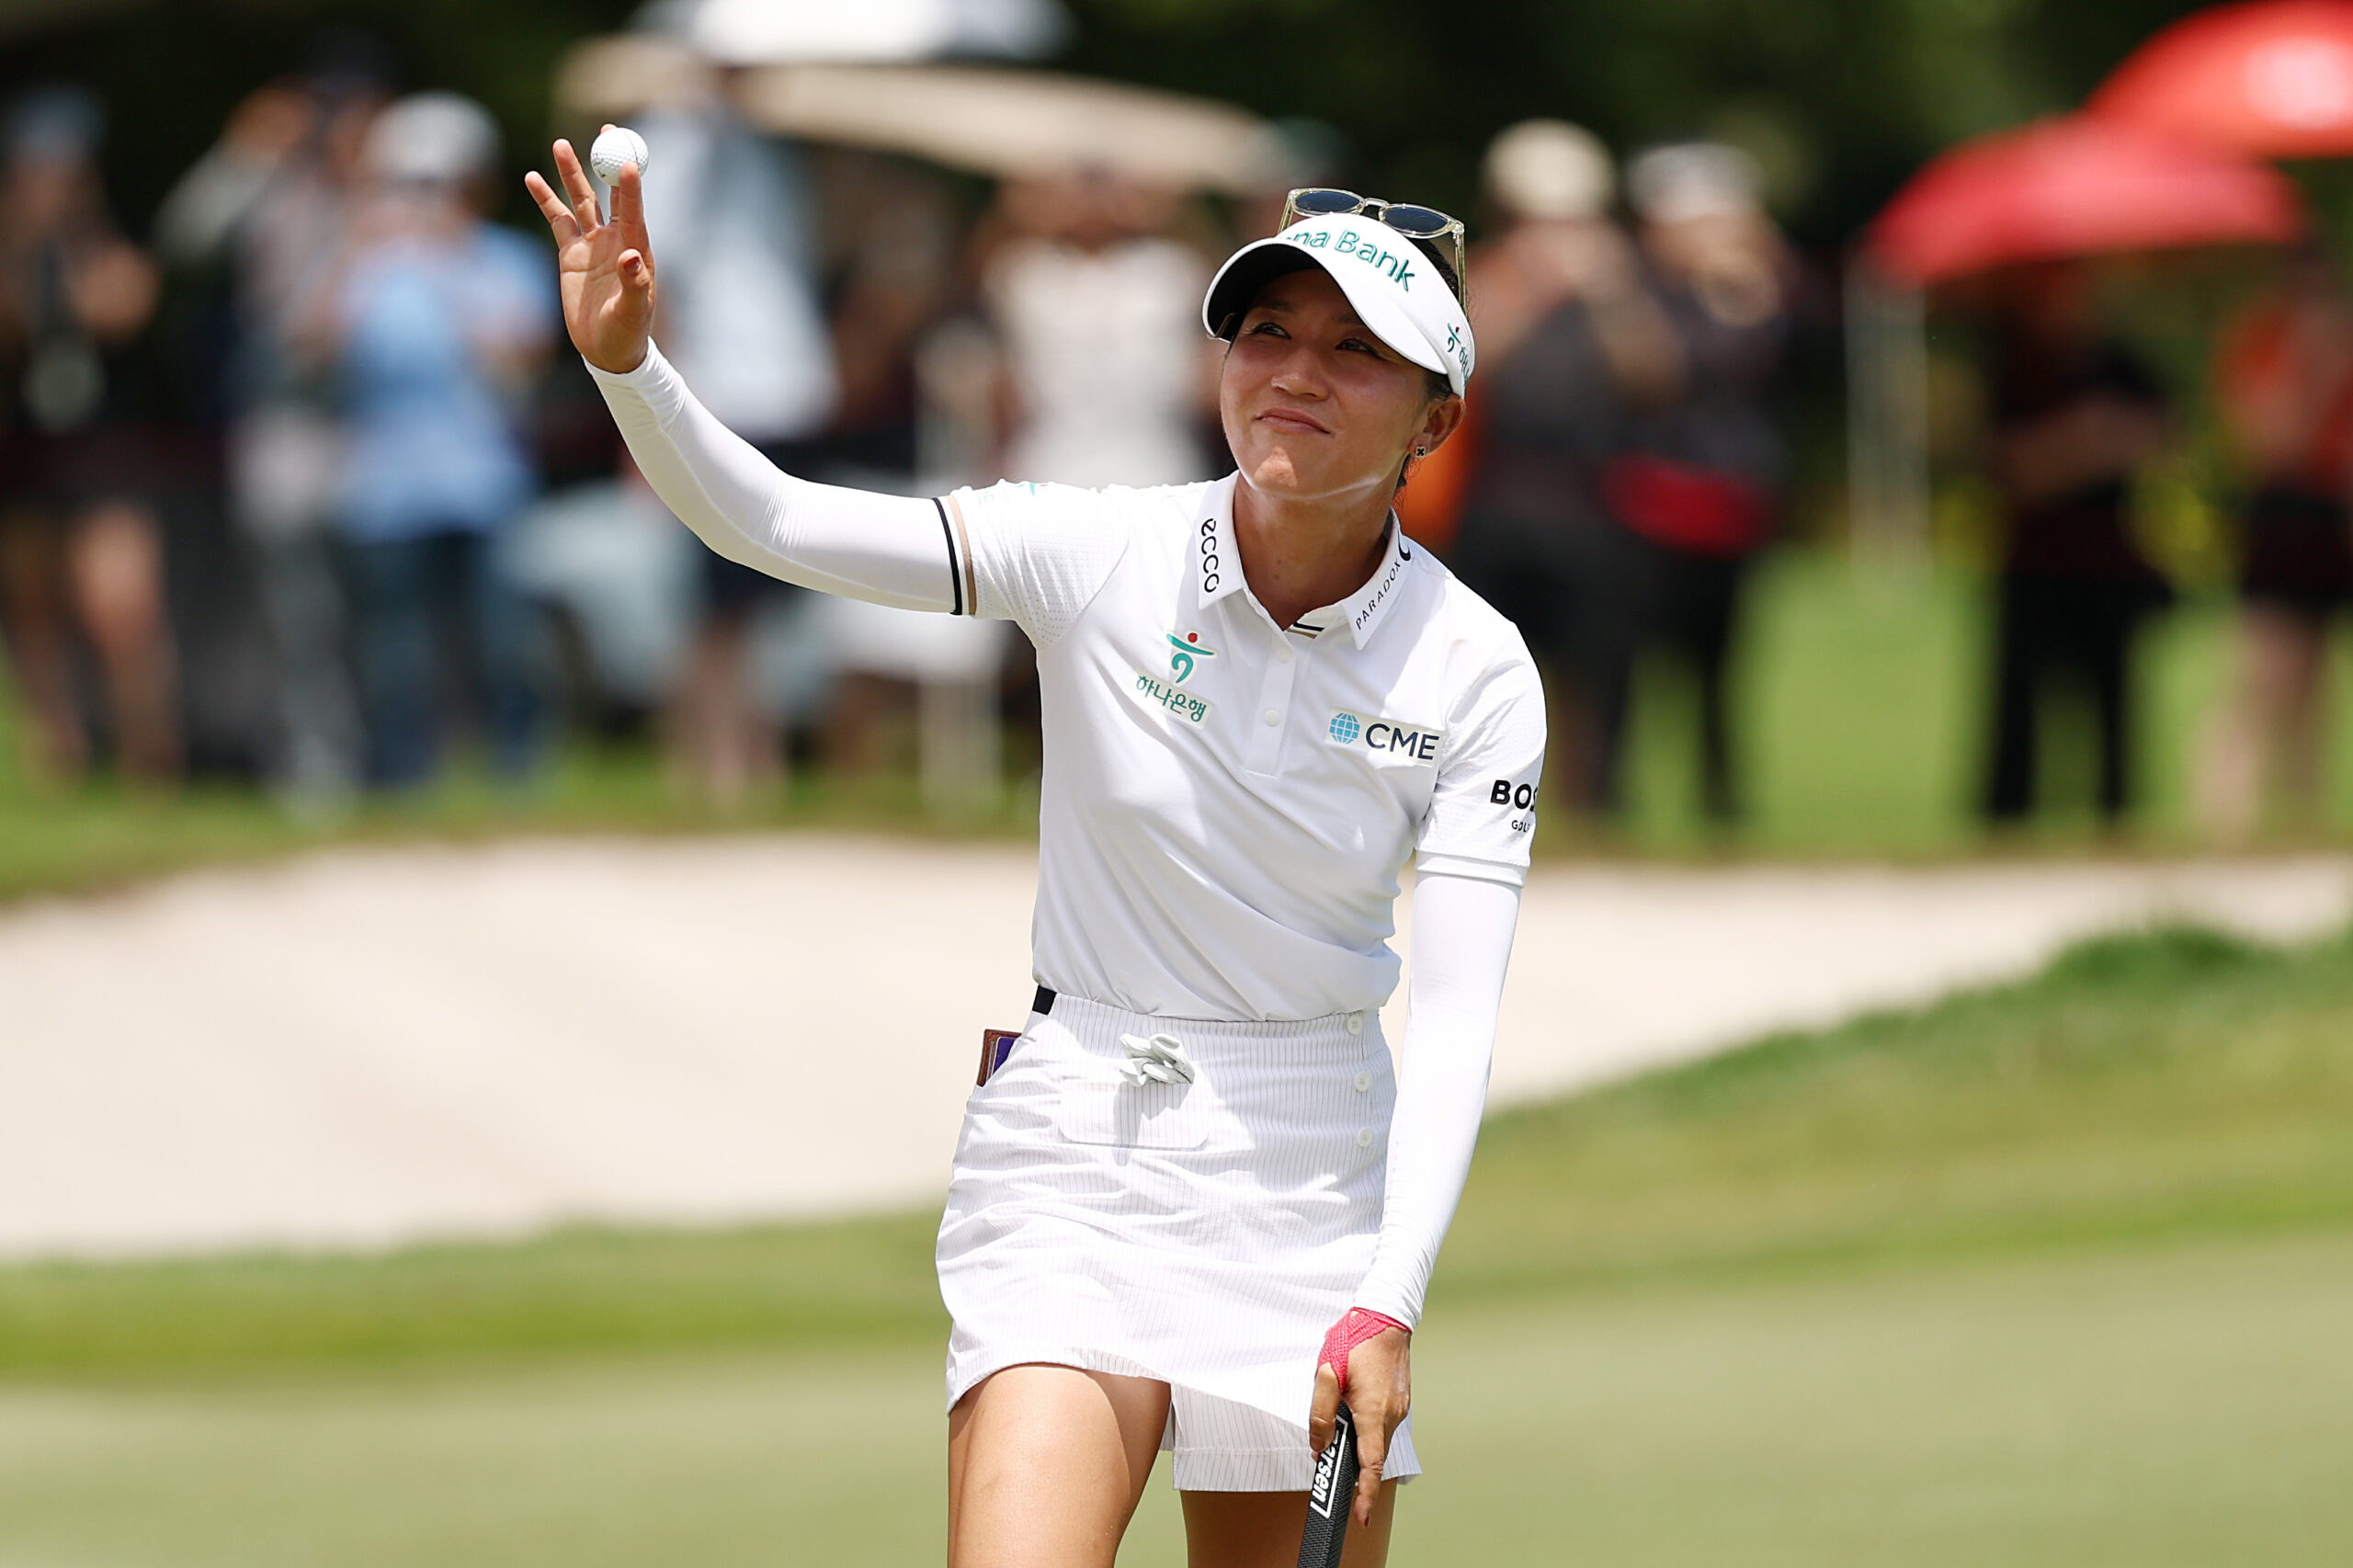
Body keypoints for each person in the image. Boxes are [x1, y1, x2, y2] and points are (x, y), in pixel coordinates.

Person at [528, 138, 1542, 1566]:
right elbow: (769, 519)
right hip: (1081, 1140)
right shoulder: (1097, 549)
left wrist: (1390, 1297)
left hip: (1315, 1173)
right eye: (1268, 333)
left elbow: (1455, 1017)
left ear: (1434, 424)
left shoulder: (1476, 667)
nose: (1296, 372)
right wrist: (633, 368)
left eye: (1355, 352)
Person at [156, 45, 391, 806]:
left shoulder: (401, 195)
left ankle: (394, 766)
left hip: (382, 429)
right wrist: (243, 150)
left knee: (382, 611)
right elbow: (183, 240)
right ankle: (314, 775)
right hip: (286, 427)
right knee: (298, 616)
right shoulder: (273, 190)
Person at [308, 93, 555, 790]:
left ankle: (518, 779)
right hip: (384, 488)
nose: (422, 200)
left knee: (505, 644)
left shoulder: (504, 261)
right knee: (395, 654)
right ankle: (403, 786)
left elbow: (519, 355)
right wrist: (360, 246)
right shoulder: (365, 265)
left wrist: (447, 264)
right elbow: (314, 345)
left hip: (485, 483)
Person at [1447, 120, 1681, 815]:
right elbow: (1461, 365)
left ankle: (1594, 811)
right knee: (1473, 674)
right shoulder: (1487, 275)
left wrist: (1611, 294)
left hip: (1590, 504)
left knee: (1598, 674)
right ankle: (1473, 806)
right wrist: (1530, 284)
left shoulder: (1619, 286)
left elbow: (1656, 382)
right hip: (1494, 500)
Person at [1610, 142, 1795, 824]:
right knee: (1629, 673)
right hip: (1649, 510)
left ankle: (1721, 805)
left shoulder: (1764, 289)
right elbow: (1661, 375)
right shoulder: (1636, 293)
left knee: (1721, 673)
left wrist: (1752, 289)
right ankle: (1611, 805)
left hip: (1732, 511)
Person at [0, 86, 180, 783]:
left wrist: (71, 239)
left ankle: (148, 758)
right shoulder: (13, 241)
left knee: (124, 611)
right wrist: (23, 238)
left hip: (103, 445)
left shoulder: (112, 231)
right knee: (35, 615)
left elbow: (120, 310)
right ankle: (60, 755)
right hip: (26, 449)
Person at [1977, 260, 2171, 827]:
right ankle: (2007, 824)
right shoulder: (2016, 368)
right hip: (2033, 562)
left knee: (2116, 709)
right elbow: (2006, 467)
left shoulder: (2121, 365)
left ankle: (2117, 820)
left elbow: (2165, 432)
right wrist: (2078, 445)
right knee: (2017, 712)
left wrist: (2106, 440)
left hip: (2108, 560)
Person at [2196, 248, 2353, 841]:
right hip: (2281, 516)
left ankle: (2301, 829)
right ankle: (2224, 824)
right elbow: (2270, 444)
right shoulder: (2260, 344)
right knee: (2262, 681)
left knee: (2320, 691)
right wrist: (2314, 369)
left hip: (2331, 520)